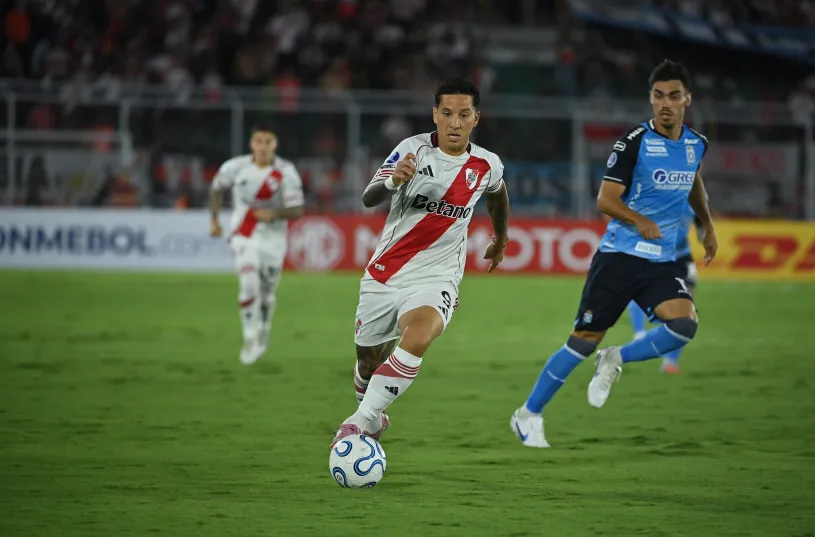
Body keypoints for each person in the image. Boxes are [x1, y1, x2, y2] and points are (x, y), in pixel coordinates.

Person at [511, 60, 718, 448]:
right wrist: (637, 219)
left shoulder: (695, 144)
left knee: (684, 324)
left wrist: (707, 225)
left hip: (659, 261)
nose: (665, 103)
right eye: (658, 95)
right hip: (619, 257)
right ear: (651, 99)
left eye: (674, 95)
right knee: (582, 341)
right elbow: (605, 199)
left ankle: (616, 357)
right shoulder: (634, 142)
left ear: (687, 98)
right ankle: (527, 414)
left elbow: (694, 183)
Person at [331, 77, 511, 447]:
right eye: (447, 113)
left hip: (438, 276)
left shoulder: (486, 164)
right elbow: (368, 198)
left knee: (420, 334)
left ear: (477, 118)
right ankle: (371, 409)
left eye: (464, 114)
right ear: (435, 115)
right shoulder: (411, 150)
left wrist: (501, 238)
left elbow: (497, 194)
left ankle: (357, 422)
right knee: (368, 363)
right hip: (386, 275)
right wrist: (394, 180)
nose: (455, 123)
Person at [209, 125, 305, 365]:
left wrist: (274, 213)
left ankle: (263, 327)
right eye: (259, 141)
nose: (263, 146)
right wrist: (214, 220)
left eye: (268, 142)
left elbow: (298, 209)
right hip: (244, 235)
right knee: (248, 278)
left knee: (266, 294)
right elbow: (216, 188)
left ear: (275, 145)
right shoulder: (236, 167)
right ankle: (250, 338)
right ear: (252, 144)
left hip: (273, 240)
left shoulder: (285, 171)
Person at [627, 207, 703, 373]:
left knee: (687, 311)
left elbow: (701, 219)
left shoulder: (694, 198)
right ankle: (639, 334)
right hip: (653, 253)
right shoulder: (659, 192)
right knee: (637, 289)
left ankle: (670, 362)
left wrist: (704, 233)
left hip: (681, 257)